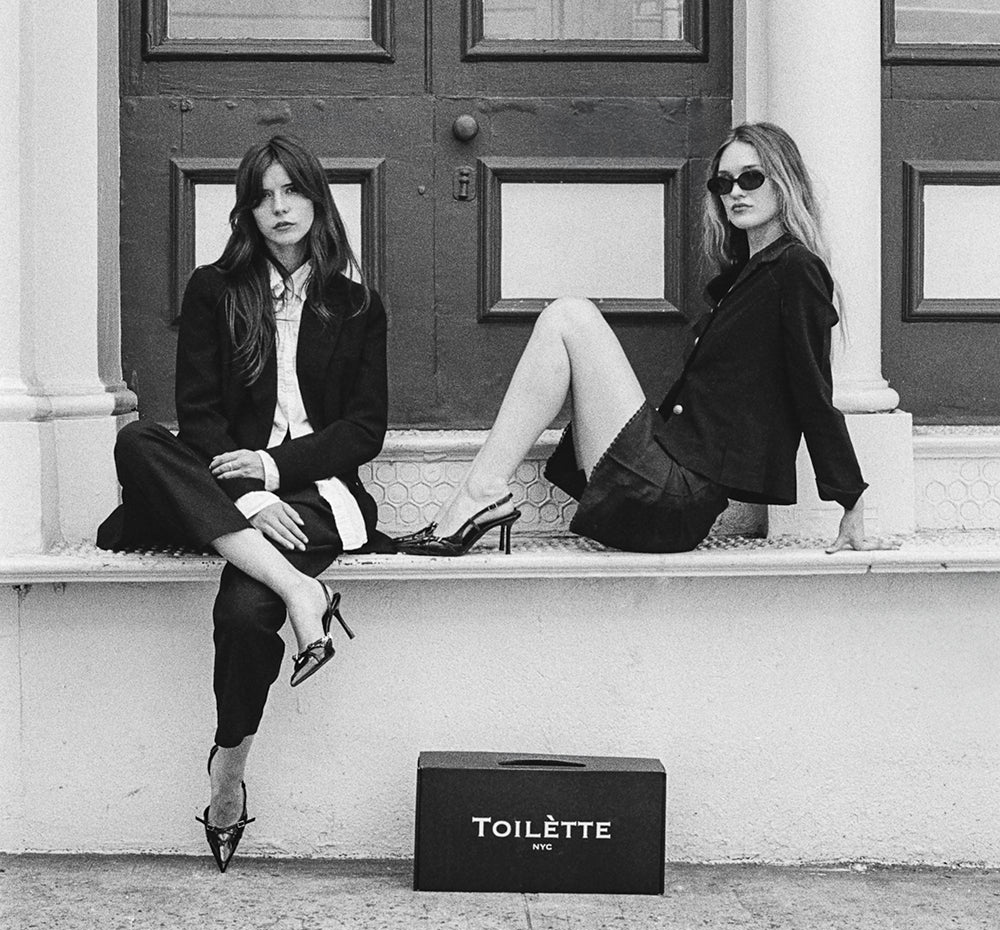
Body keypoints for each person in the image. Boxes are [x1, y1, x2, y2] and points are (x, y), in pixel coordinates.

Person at [97, 134, 389, 871]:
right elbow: (197, 417)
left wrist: (275, 464)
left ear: (318, 199)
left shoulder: (355, 306)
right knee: (139, 441)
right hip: (229, 489)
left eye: (292, 191)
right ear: (247, 210)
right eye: (263, 195)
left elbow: (364, 429)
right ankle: (300, 589)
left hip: (316, 495)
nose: (279, 207)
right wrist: (252, 494)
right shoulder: (214, 289)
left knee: (240, 612)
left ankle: (228, 772)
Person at [398, 122, 868, 558]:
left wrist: (849, 500)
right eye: (723, 183)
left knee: (569, 316)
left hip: (673, 499)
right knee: (566, 320)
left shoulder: (796, 269)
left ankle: (479, 495)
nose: (735, 193)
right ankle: (476, 496)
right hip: (664, 484)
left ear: (784, 183)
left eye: (751, 179)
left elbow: (812, 389)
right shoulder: (745, 277)